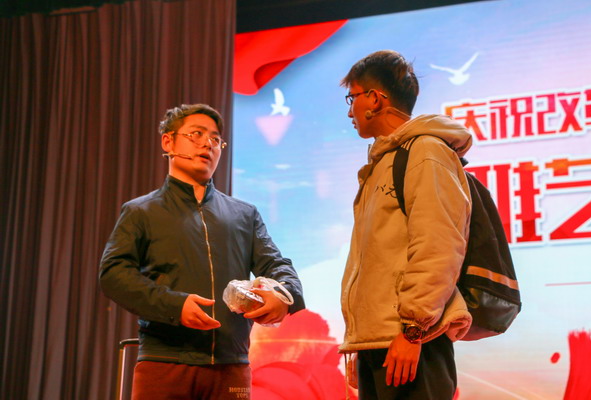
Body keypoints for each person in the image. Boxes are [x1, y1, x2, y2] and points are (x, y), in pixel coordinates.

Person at [99, 103, 305, 400]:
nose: (208, 144)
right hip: (165, 363)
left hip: (231, 365)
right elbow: (113, 275)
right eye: (196, 134)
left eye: (215, 139)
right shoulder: (140, 211)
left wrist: (284, 294)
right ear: (168, 142)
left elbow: (277, 265)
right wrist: (175, 305)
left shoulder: (244, 214)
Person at [339, 50, 474, 399]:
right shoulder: (384, 162)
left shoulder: (426, 151)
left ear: (374, 99)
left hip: (413, 342)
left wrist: (413, 331)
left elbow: (439, 245)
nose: (350, 111)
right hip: (385, 343)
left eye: (352, 98)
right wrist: (364, 342)